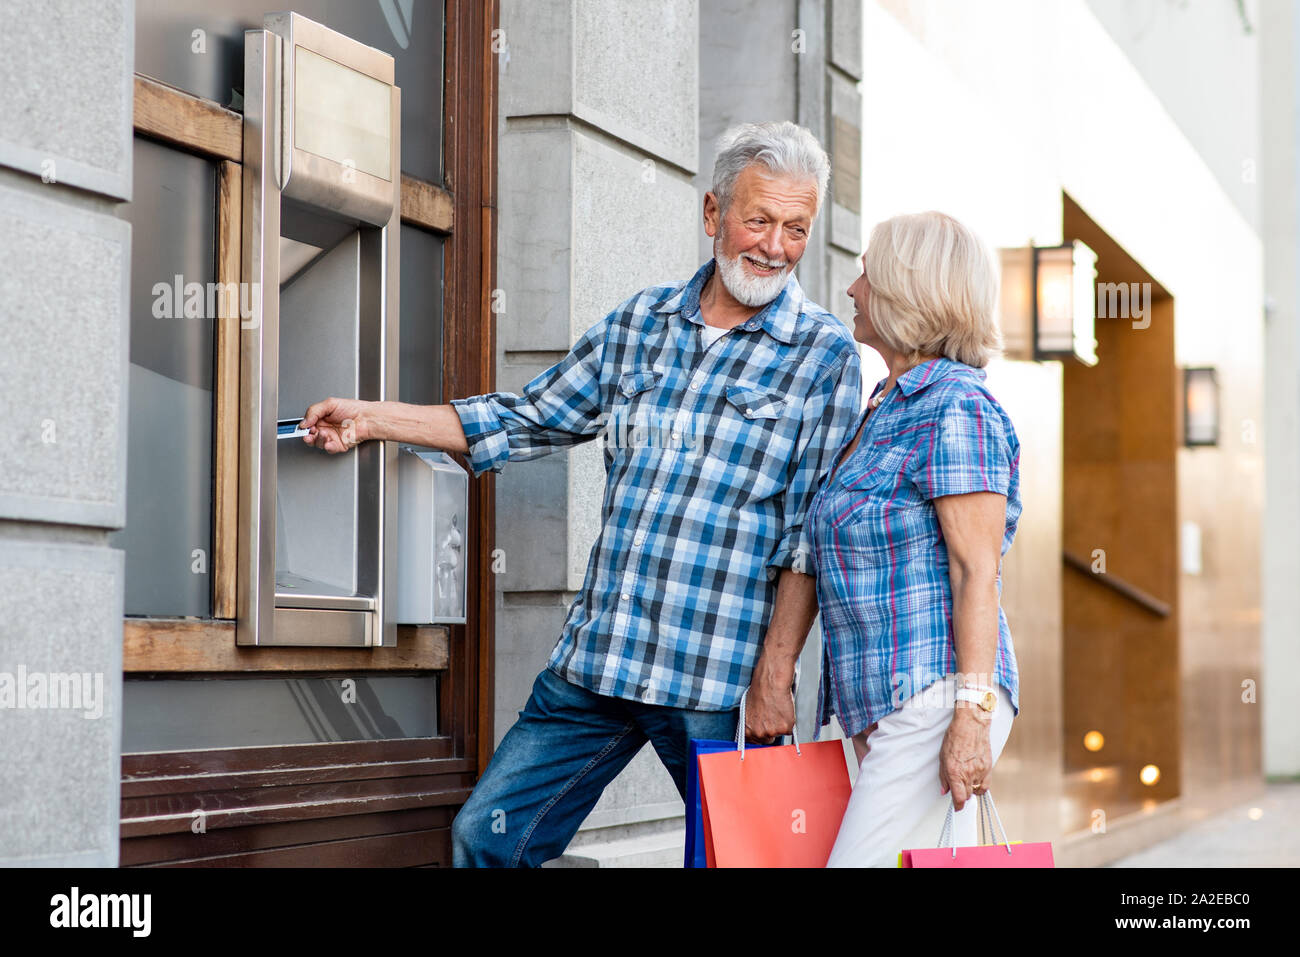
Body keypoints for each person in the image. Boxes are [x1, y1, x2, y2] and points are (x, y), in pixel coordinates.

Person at [298, 121, 862, 867]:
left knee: (737, 860)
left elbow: (805, 535)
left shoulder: (823, 355)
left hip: (714, 678)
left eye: (797, 228)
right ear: (711, 213)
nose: (774, 246)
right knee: (484, 836)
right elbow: (526, 416)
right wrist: (373, 417)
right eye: (758, 219)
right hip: (601, 658)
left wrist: (776, 673)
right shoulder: (640, 323)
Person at [806, 211, 1022, 867]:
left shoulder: (956, 405)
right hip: (879, 701)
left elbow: (974, 572)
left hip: (933, 696)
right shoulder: (885, 405)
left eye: (867, 271)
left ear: (908, 287)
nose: (852, 287)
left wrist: (971, 719)